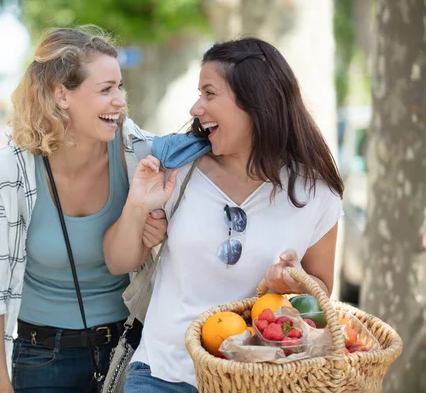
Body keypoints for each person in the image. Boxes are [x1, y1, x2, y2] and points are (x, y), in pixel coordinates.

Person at [103, 37, 344, 392]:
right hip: (162, 374)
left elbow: (320, 296)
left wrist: (290, 285)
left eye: (209, 93)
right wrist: (137, 205)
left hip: (258, 382)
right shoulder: (177, 171)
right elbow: (118, 260)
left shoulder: (316, 194)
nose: (196, 108)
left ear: (255, 102)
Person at [0, 26, 174, 393]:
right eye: (106, 89)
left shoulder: (137, 155)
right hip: (41, 357)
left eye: (120, 87)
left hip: (129, 346)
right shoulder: (8, 173)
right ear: (62, 95)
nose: (120, 101)